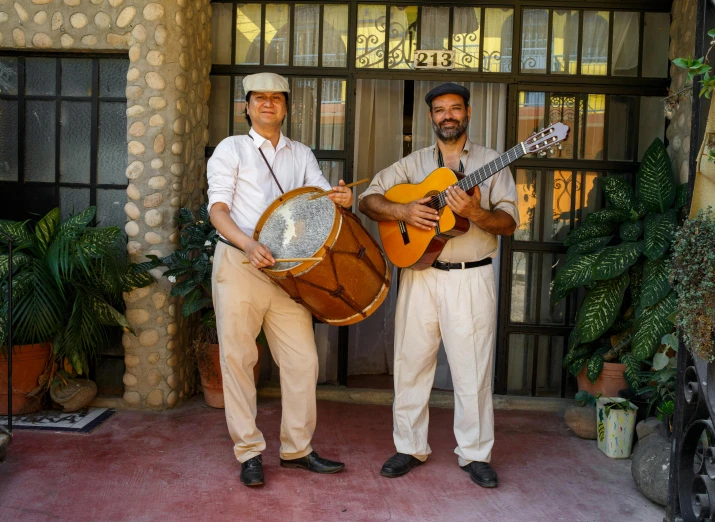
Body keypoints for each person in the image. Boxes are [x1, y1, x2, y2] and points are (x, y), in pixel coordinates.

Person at [358, 83, 519, 488]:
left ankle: (475, 454)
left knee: (473, 370)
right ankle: (409, 446)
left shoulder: (493, 162)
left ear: (468, 113)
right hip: (419, 274)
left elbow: (509, 223)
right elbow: (369, 200)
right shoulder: (412, 164)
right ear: (431, 117)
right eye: (440, 110)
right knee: (411, 364)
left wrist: (476, 212)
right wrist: (403, 210)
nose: (448, 116)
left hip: (470, 275)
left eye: (455, 109)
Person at [207, 72, 352, 487]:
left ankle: (297, 449)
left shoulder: (301, 153)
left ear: (287, 107)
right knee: (237, 359)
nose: (268, 103)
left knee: (303, 360)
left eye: (276, 98)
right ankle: (249, 451)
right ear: (247, 106)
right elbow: (218, 210)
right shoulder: (231, 148)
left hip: (290, 273)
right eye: (259, 98)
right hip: (240, 263)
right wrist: (249, 245)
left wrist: (342, 198)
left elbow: (323, 201)